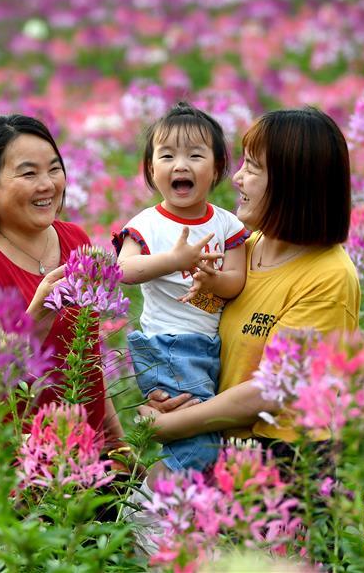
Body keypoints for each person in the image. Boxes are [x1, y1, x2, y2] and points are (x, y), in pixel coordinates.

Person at [139, 106, 359, 463]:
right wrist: (172, 388)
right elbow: (201, 328)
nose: (237, 178)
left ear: (293, 182)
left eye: (253, 168)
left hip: (285, 461)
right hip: (222, 448)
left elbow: (271, 389)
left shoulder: (329, 276)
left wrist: (170, 425)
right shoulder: (244, 250)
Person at [0, 114, 125, 475]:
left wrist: (116, 443)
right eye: (28, 174)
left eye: (54, 169)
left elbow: (87, 359)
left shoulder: (74, 239)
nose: (47, 185)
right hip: (1, 469)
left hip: (85, 460)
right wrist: (38, 312)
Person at [114, 102, 248, 472]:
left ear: (217, 168)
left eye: (195, 155)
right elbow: (123, 270)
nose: (180, 165)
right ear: (150, 169)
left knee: (193, 436)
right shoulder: (147, 223)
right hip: (168, 346)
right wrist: (174, 260)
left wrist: (212, 280)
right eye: (167, 155)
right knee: (199, 445)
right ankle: (158, 499)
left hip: (208, 349)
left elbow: (235, 281)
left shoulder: (228, 225)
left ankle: (151, 488)